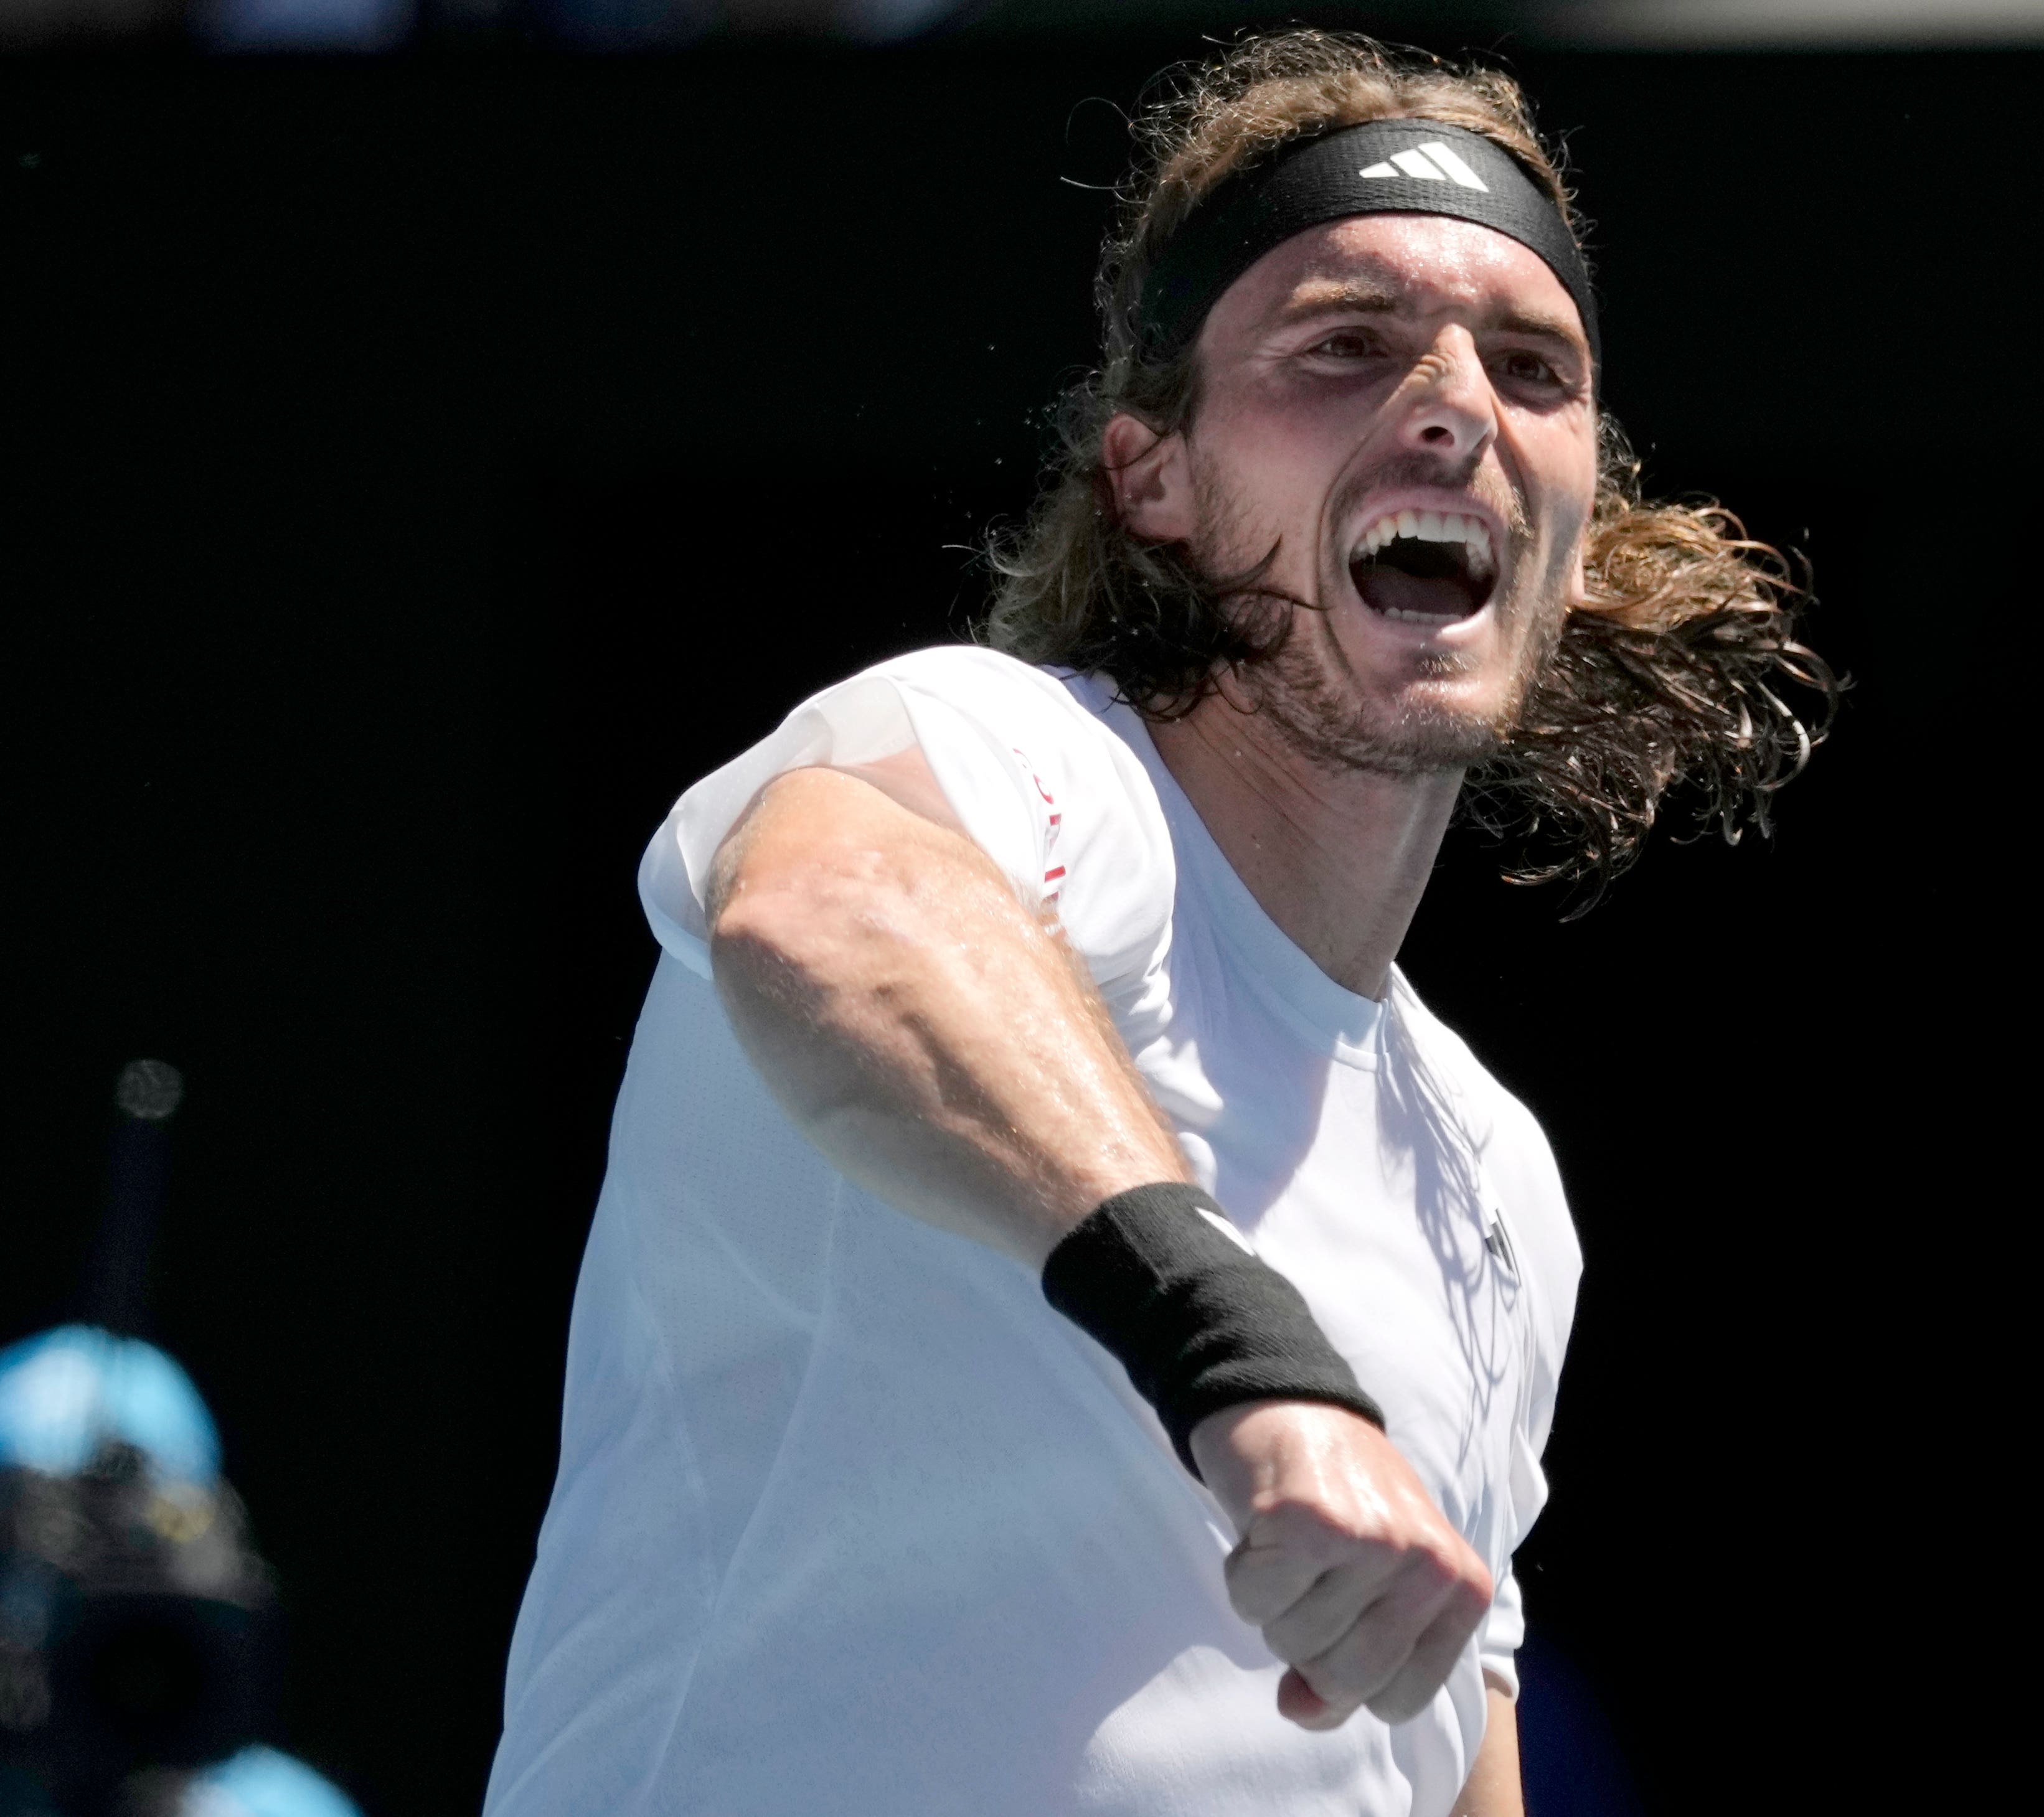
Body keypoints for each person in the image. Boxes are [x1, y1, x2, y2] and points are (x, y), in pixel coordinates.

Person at [484, 30, 1828, 1817]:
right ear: (1152, 478)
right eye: (1342, 345)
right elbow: (828, 911)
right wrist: (1244, 1365)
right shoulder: (1009, 753)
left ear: (1576, 532)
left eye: (1531, 367)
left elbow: (1433, 1742)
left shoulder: (1493, 1172)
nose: (1452, 406)